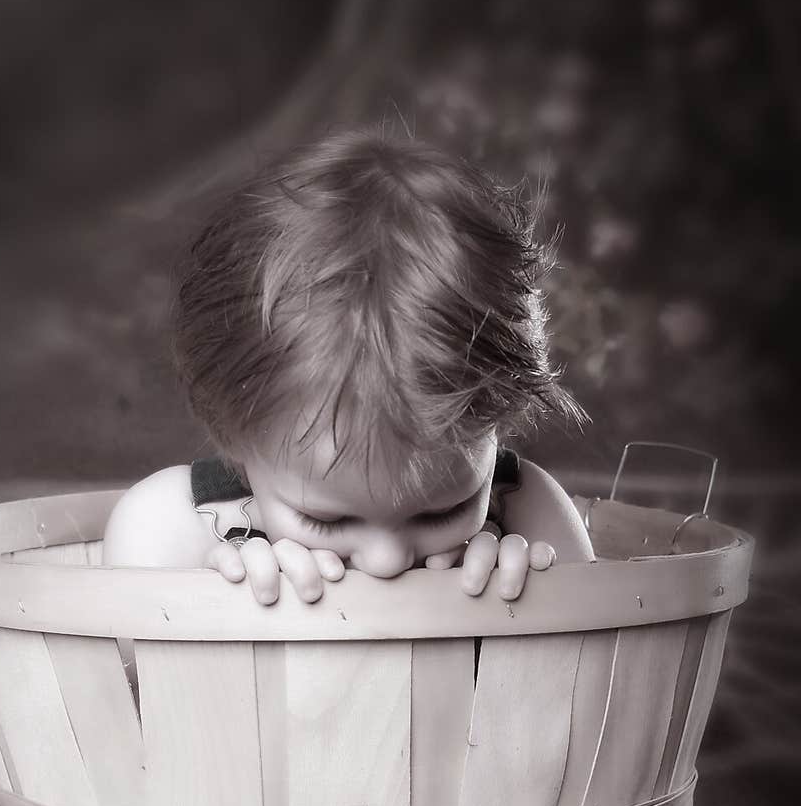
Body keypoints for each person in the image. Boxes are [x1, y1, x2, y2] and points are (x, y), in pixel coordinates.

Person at [103, 127, 594, 600]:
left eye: (444, 511)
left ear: (499, 427)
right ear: (236, 441)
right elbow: (128, 676)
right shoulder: (174, 526)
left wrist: (524, 603)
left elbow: (588, 673)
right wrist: (218, 606)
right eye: (326, 521)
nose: (386, 561)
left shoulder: (527, 514)